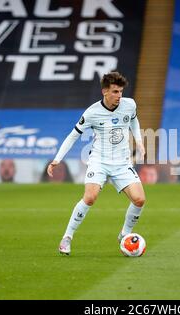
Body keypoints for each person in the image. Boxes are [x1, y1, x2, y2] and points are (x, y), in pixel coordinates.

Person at [47, 71, 146, 255]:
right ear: (104, 92)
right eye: (115, 92)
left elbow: (133, 120)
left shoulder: (129, 105)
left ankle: (125, 234)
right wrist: (57, 160)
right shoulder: (92, 113)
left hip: (122, 163)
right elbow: (73, 136)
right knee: (90, 197)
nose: (119, 96)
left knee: (140, 200)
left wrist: (138, 140)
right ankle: (67, 237)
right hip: (99, 161)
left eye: (121, 92)